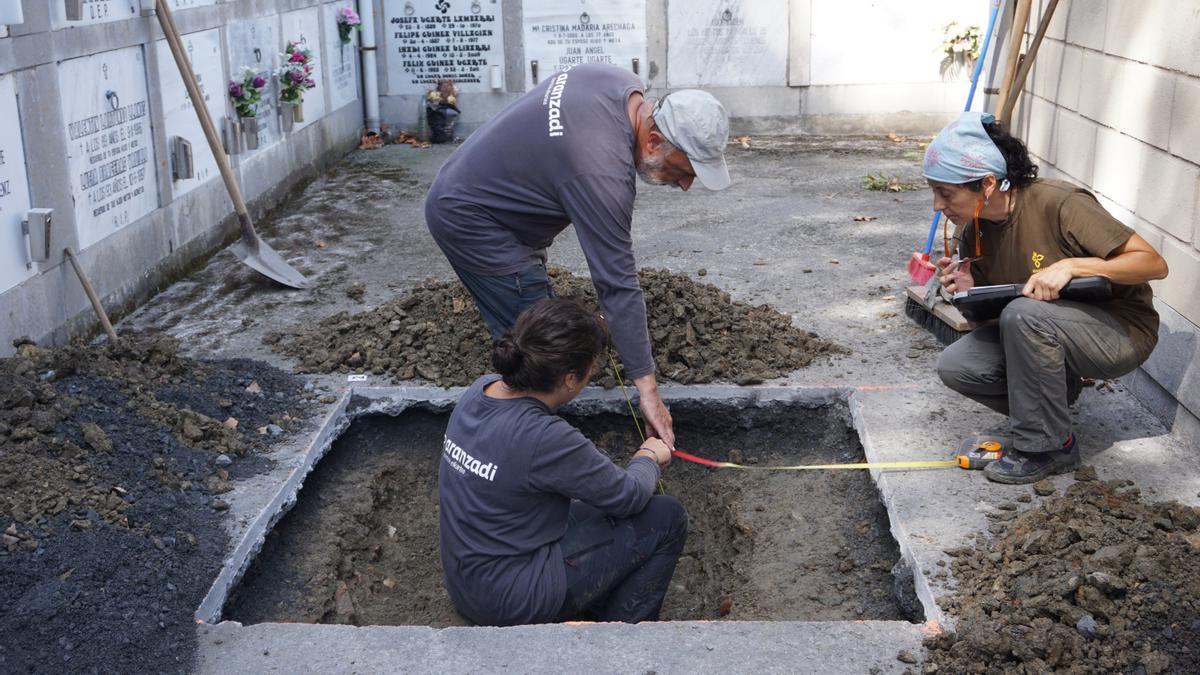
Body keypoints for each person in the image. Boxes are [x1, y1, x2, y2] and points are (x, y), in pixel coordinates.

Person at [425, 63, 733, 452]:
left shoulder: (618, 82)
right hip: (473, 221)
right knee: (541, 353)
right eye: (684, 170)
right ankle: (518, 455)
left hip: (475, 185)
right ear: (654, 142)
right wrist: (648, 389)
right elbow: (616, 284)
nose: (686, 186)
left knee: (542, 330)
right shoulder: (600, 172)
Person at [912, 111, 1169, 485]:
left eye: (946, 193)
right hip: (1048, 332)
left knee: (1025, 313)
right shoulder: (976, 231)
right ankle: (1053, 402)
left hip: (1119, 332)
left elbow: (1153, 263)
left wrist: (1075, 266)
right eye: (934, 192)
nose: (938, 205)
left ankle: (1049, 447)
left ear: (987, 184)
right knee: (958, 364)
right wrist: (971, 292)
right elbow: (996, 323)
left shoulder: (1059, 202)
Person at [438, 298, 688, 626]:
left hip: (469, 583)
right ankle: (622, 635)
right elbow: (627, 495)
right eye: (591, 370)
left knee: (597, 509)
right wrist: (649, 457)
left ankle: (592, 603)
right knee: (666, 517)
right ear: (570, 379)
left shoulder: (480, 390)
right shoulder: (542, 435)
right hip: (509, 600)